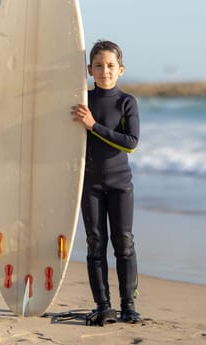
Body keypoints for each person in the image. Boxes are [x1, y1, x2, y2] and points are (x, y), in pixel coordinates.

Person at [71, 40, 141, 324]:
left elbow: (131, 143)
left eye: (110, 66)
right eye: (98, 66)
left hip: (120, 184)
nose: (105, 71)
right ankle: (103, 305)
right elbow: (37, 113)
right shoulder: (82, 102)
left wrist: (93, 126)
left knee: (123, 243)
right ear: (89, 69)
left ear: (121, 69)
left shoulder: (127, 102)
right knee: (95, 243)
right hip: (90, 184)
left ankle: (128, 306)